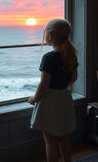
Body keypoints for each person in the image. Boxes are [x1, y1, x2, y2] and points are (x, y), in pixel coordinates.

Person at [28, 18, 78, 162]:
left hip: (50, 102)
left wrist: (34, 98)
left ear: (50, 36)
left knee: (50, 140)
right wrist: (62, 86)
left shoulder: (49, 58)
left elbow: (44, 84)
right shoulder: (71, 55)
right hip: (64, 98)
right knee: (62, 137)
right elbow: (74, 78)